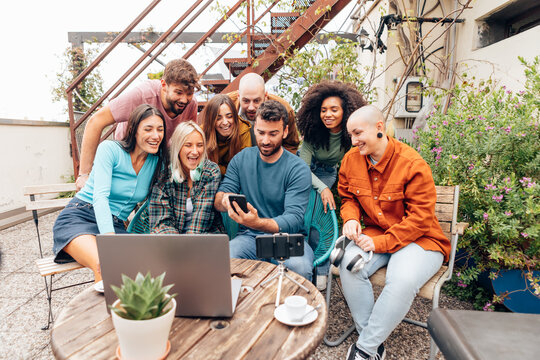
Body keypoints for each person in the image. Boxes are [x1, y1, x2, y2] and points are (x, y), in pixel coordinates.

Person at [338, 105, 450, 360]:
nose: (354, 141)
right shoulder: (351, 159)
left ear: (379, 128)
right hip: (375, 233)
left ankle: (365, 350)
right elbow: (348, 198)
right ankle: (373, 341)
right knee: (347, 263)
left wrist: (380, 243)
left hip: (421, 240)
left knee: (401, 280)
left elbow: (420, 220)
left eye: (358, 133)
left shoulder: (412, 163)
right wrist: (351, 219)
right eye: (350, 136)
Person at [52, 104, 167, 285]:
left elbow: (158, 202)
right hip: (80, 217)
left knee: (151, 264)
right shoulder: (110, 150)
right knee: (105, 264)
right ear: (134, 130)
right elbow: (100, 197)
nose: (156, 135)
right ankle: (111, 313)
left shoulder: (157, 162)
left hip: (116, 225)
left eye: (160, 129)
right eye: (148, 129)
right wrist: (109, 239)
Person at [214, 100, 313, 280]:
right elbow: (220, 196)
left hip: (288, 239)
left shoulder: (297, 168)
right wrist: (225, 200)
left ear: (285, 131)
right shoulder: (241, 159)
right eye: (260, 133)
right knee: (224, 259)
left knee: (300, 268)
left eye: (273, 134)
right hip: (250, 238)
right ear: (254, 129)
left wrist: (257, 222)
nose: (265, 140)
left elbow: (294, 218)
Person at [76, 59, 199, 190]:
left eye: (189, 94)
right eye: (178, 92)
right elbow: (96, 121)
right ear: (164, 85)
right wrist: (84, 174)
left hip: (158, 153)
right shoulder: (143, 94)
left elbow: (188, 139)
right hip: (128, 152)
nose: (184, 99)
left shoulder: (191, 104)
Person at [296, 80, 367, 289]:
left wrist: (331, 188)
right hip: (306, 171)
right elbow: (302, 170)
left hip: (329, 173)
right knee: (305, 213)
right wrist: (323, 188)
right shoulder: (313, 132)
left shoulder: (350, 135)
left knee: (323, 214)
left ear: (345, 111)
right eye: (324, 110)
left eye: (334, 110)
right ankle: (303, 265)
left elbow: (351, 167)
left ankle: (322, 269)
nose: (328, 114)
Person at [149, 121, 221, 233]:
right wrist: (176, 245)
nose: (195, 151)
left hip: (207, 236)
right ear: (178, 147)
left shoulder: (210, 171)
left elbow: (200, 220)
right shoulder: (164, 174)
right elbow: (161, 222)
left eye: (200, 145)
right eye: (188, 145)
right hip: (173, 240)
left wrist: (185, 248)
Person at [227, 73, 300, 154]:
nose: (251, 107)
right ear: (238, 96)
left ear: (265, 95)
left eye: (256, 101)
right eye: (246, 101)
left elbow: (291, 145)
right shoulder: (225, 106)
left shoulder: (285, 109)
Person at [199, 94, 252, 175]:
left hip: (235, 179)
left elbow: (245, 166)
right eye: (218, 118)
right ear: (211, 120)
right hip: (210, 177)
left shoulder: (242, 130)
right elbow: (201, 164)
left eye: (229, 116)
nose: (225, 122)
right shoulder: (202, 133)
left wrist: (220, 168)